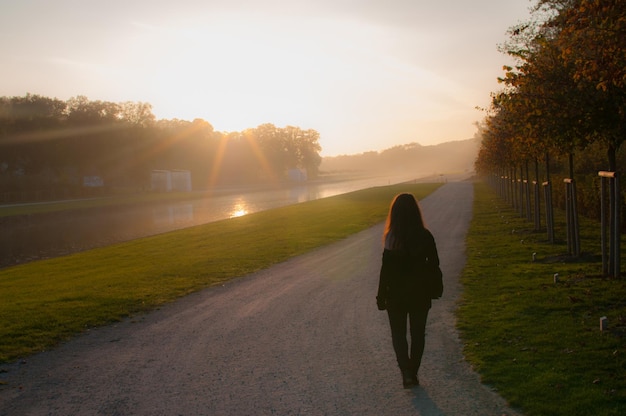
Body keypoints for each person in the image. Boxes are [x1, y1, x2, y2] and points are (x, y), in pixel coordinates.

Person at [376, 193, 440, 388]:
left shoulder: (391, 238)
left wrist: (381, 295)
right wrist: (436, 288)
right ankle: (413, 370)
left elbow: (385, 270)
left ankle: (406, 373)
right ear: (415, 212)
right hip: (420, 293)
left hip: (396, 295)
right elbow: (434, 265)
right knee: (418, 334)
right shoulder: (425, 236)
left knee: (398, 334)